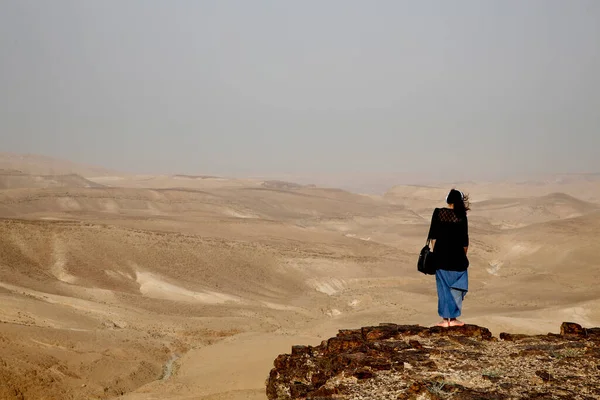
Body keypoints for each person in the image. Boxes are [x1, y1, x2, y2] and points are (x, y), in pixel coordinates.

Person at [427, 188, 470, 327]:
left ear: (448, 200)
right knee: (457, 287)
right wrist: (462, 256)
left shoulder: (438, 213)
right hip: (458, 259)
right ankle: (454, 318)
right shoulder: (462, 216)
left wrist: (437, 254)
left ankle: (446, 320)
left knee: (443, 289)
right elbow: (465, 242)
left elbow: (432, 236)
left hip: (441, 257)